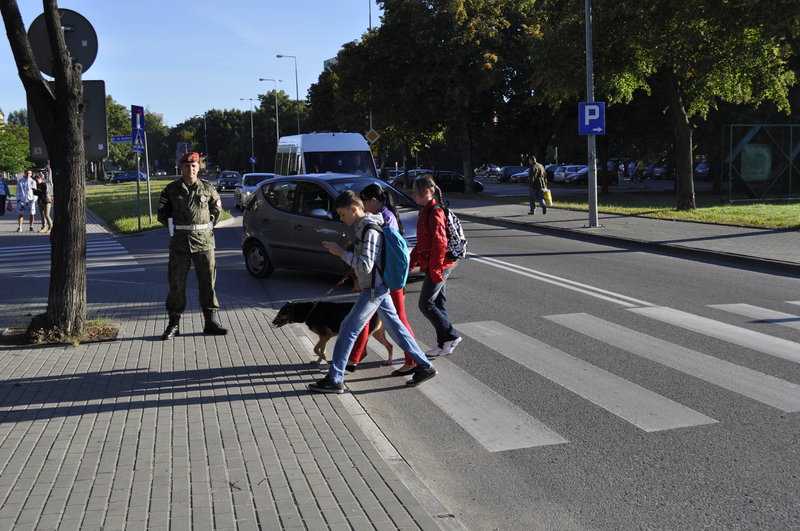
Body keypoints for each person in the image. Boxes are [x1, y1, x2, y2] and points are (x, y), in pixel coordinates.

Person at [310, 190, 437, 393]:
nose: (341, 219)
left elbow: (366, 265)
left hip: (374, 290)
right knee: (397, 329)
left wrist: (341, 252)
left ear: (354, 209)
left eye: (342, 214)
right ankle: (425, 366)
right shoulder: (364, 226)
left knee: (347, 329)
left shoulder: (369, 230)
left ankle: (335, 379)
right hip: (378, 288)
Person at [346, 183, 418, 376]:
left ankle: (414, 361)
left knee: (398, 322)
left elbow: (389, 253)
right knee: (363, 319)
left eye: (365, 202)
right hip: (380, 279)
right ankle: (353, 358)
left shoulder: (385, 218)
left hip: (387, 279)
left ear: (374, 201)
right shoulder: (381, 216)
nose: (363, 206)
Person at [157, 152, 228, 340]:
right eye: (187, 166)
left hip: (204, 243)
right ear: (181, 168)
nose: (191, 169)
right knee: (176, 285)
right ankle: (173, 324)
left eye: (194, 166)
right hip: (180, 245)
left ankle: (210, 322)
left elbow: (217, 209)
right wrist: (179, 229)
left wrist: (208, 222)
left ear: (198, 168)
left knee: (208, 284)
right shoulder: (171, 189)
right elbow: (162, 215)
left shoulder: (207, 188)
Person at [409, 176, 462, 357]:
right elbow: (421, 243)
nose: (412, 195)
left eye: (414, 191)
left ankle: (451, 336)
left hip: (440, 263)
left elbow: (440, 242)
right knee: (439, 303)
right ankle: (443, 344)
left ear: (425, 192)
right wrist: (410, 264)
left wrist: (436, 269)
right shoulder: (425, 210)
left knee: (426, 303)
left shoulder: (434, 212)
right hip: (435, 263)